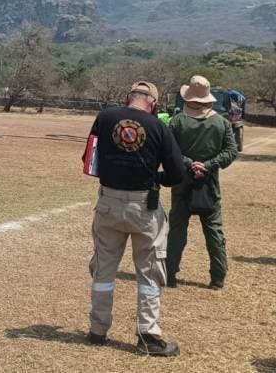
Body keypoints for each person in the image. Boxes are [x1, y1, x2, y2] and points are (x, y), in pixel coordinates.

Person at [84, 81, 186, 357]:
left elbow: (89, 161)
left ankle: (97, 329)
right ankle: (148, 336)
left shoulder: (104, 118)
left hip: (108, 202)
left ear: (128, 97)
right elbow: (177, 174)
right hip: (144, 207)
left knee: (104, 270)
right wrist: (156, 178)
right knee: (149, 272)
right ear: (152, 103)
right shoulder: (158, 127)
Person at [166, 75, 239, 290]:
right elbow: (231, 151)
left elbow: (171, 151)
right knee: (214, 231)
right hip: (210, 184)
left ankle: (170, 274)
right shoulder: (222, 123)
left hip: (182, 183)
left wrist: (190, 164)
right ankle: (218, 277)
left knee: (177, 229)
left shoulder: (177, 122)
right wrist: (208, 165)